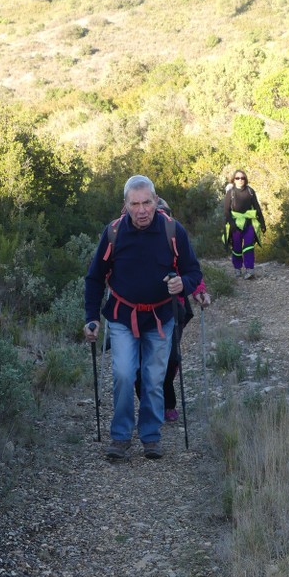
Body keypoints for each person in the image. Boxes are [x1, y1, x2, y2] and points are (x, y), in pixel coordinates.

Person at [84, 175, 203, 460]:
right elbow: (94, 278)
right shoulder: (113, 232)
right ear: (125, 205)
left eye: (146, 203)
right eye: (134, 204)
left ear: (155, 200)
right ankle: (121, 437)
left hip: (162, 316)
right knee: (125, 374)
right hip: (123, 316)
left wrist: (182, 285)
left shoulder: (173, 231)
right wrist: (92, 317)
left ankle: (151, 436)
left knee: (153, 378)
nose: (141, 210)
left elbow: (193, 272)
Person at [136, 279, 211, 422]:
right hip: (136, 311)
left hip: (173, 308)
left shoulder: (173, 254)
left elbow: (188, 266)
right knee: (139, 364)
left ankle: (168, 403)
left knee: (170, 359)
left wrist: (199, 291)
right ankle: (149, 405)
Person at [223, 169, 266, 279]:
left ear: (245, 179)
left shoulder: (250, 191)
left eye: (242, 178)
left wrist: (262, 223)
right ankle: (237, 268)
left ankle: (249, 269)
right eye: (237, 178)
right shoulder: (230, 193)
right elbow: (226, 210)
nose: (240, 180)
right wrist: (231, 224)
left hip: (248, 223)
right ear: (234, 180)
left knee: (248, 246)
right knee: (236, 247)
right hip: (235, 224)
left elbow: (257, 207)